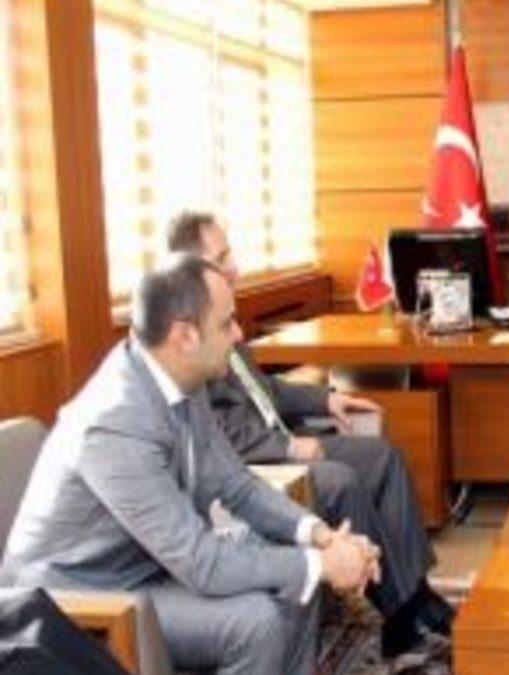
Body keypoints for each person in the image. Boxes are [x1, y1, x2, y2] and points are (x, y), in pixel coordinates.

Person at [1, 254, 381, 674]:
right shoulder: (114, 423)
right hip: (83, 598)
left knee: (295, 580)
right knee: (258, 622)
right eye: (227, 323)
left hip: (150, 564)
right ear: (184, 336)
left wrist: (321, 536)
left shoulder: (183, 376)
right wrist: (323, 564)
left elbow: (235, 483)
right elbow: (202, 563)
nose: (238, 334)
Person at [165, 211, 453, 665]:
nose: (234, 266)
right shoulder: (188, 335)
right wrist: (286, 448)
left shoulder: (223, 318)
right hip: (262, 459)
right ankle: (400, 617)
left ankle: (416, 593)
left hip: (282, 437)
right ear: (191, 269)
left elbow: (264, 388)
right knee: (342, 480)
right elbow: (213, 434)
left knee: (383, 457)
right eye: (222, 258)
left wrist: (326, 399)